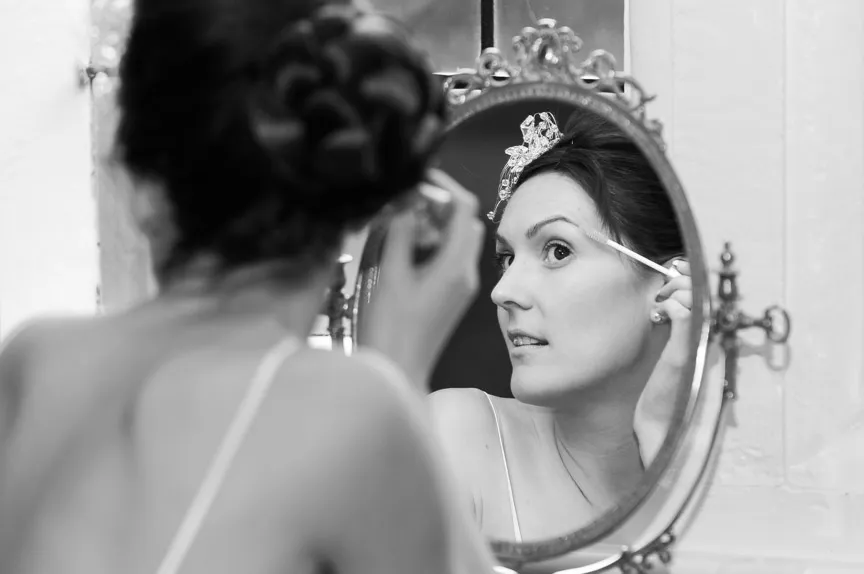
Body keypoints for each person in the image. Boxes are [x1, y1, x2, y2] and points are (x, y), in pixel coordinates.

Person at [0, 1, 496, 573]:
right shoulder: (357, 410)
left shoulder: (35, 361)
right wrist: (401, 371)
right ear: (360, 200)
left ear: (139, 184)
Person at [419, 110, 692, 542]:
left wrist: (661, 435)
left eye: (557, 250)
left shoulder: (741, 478)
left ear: (669, 284)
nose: (503, 291)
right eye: (506, 259)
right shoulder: (457, 438)